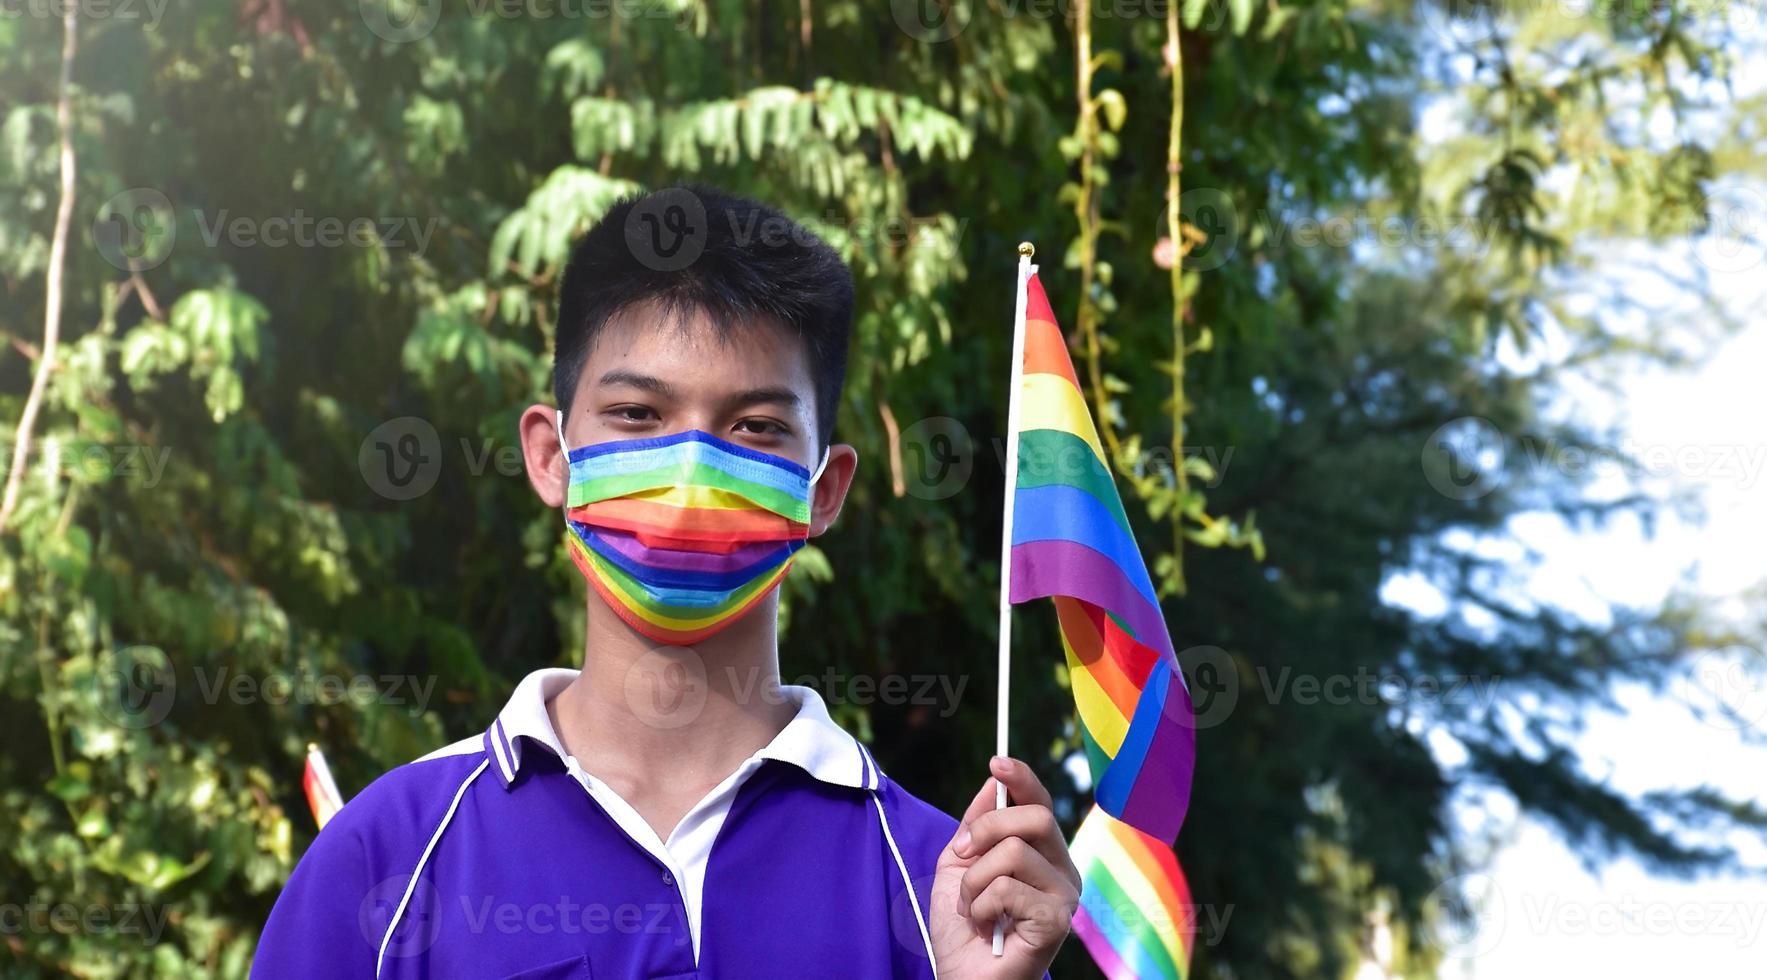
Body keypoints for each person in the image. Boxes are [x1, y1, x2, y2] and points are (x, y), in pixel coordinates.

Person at [252, 186, 1079, 979]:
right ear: (549, 456)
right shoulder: (387, 853)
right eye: (638, 416)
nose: (690, 475)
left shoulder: (944, 886)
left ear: (823, 490)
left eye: (754, 427)